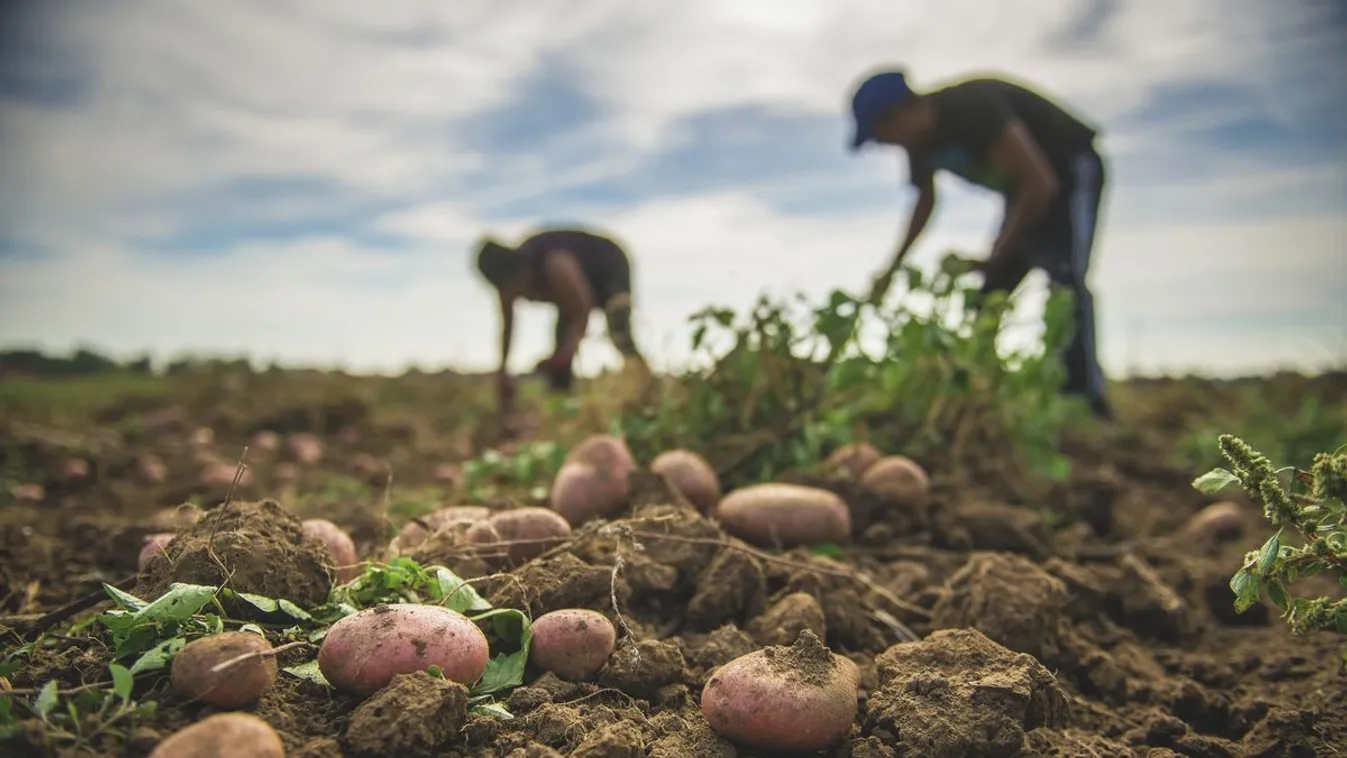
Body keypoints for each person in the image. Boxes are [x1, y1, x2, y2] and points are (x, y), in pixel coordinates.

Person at [848, 68, 1113, 420]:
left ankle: (1086, 402)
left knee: (1065, 282)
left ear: (902, 112)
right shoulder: (920, 146)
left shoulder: (970, 107)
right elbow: (924, 205)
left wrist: (997, 256)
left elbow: (1041, 184)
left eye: (882, 134)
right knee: (987, 298)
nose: (884, 144)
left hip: (1066, 171)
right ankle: (977, 398)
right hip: (1022, 192)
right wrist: (891, 269)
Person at [473, 227, 648, 410]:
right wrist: (502, 372)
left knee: (620, 331)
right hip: (574, 292)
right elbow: (507, 328)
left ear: (522, 272)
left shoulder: (555, 264)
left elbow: (582, 310)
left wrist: (565, 354)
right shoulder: (505, 285)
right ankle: (562, 406)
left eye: (519, 289)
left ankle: (646, 390)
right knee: (561, 339)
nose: (521, 297)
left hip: (609, 267)